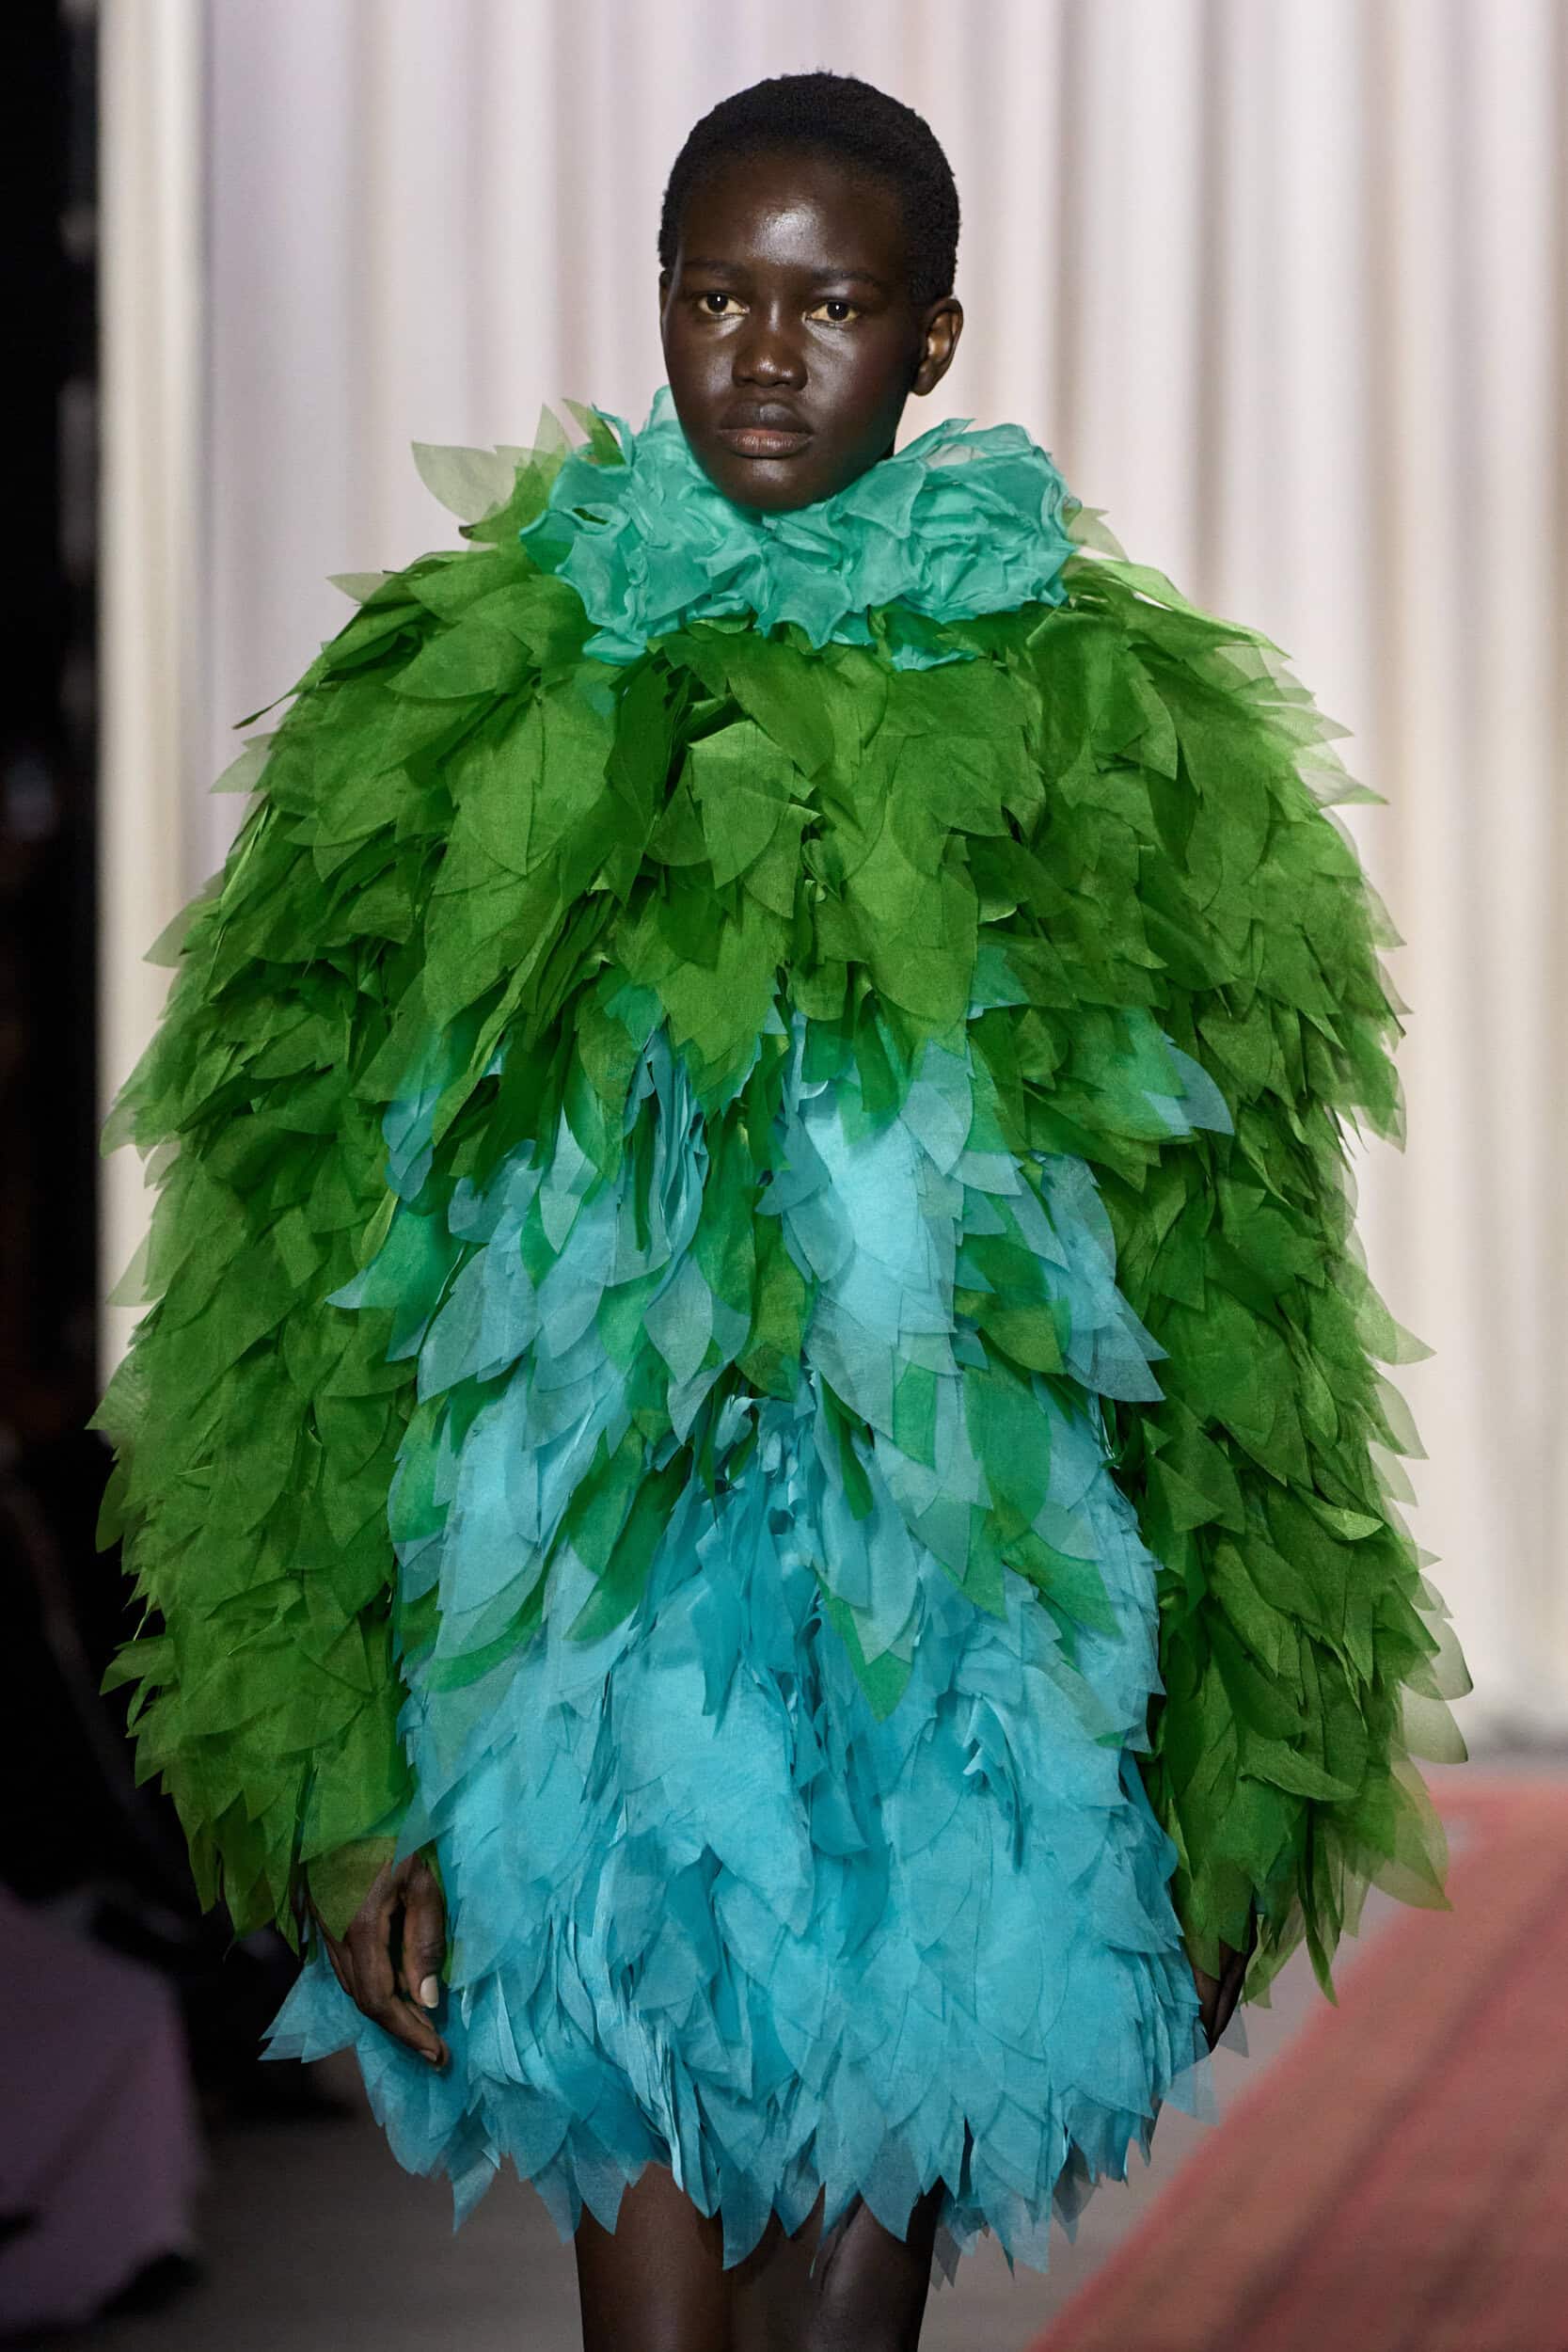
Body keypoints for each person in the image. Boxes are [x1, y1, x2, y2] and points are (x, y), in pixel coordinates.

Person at [97, 70, 1465, 2352]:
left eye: (828, 307)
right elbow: (290, 1243)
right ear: (655, 298)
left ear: (933, 338)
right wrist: (332, 1758)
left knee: (851, 2308)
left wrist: (1236, 1756)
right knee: (652, 2291)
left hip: (965, 1603)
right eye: (715, 295)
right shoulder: (470, 699)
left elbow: (1233, 1260)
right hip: (583, 1606)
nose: (758, 353)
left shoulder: (1091, 718)